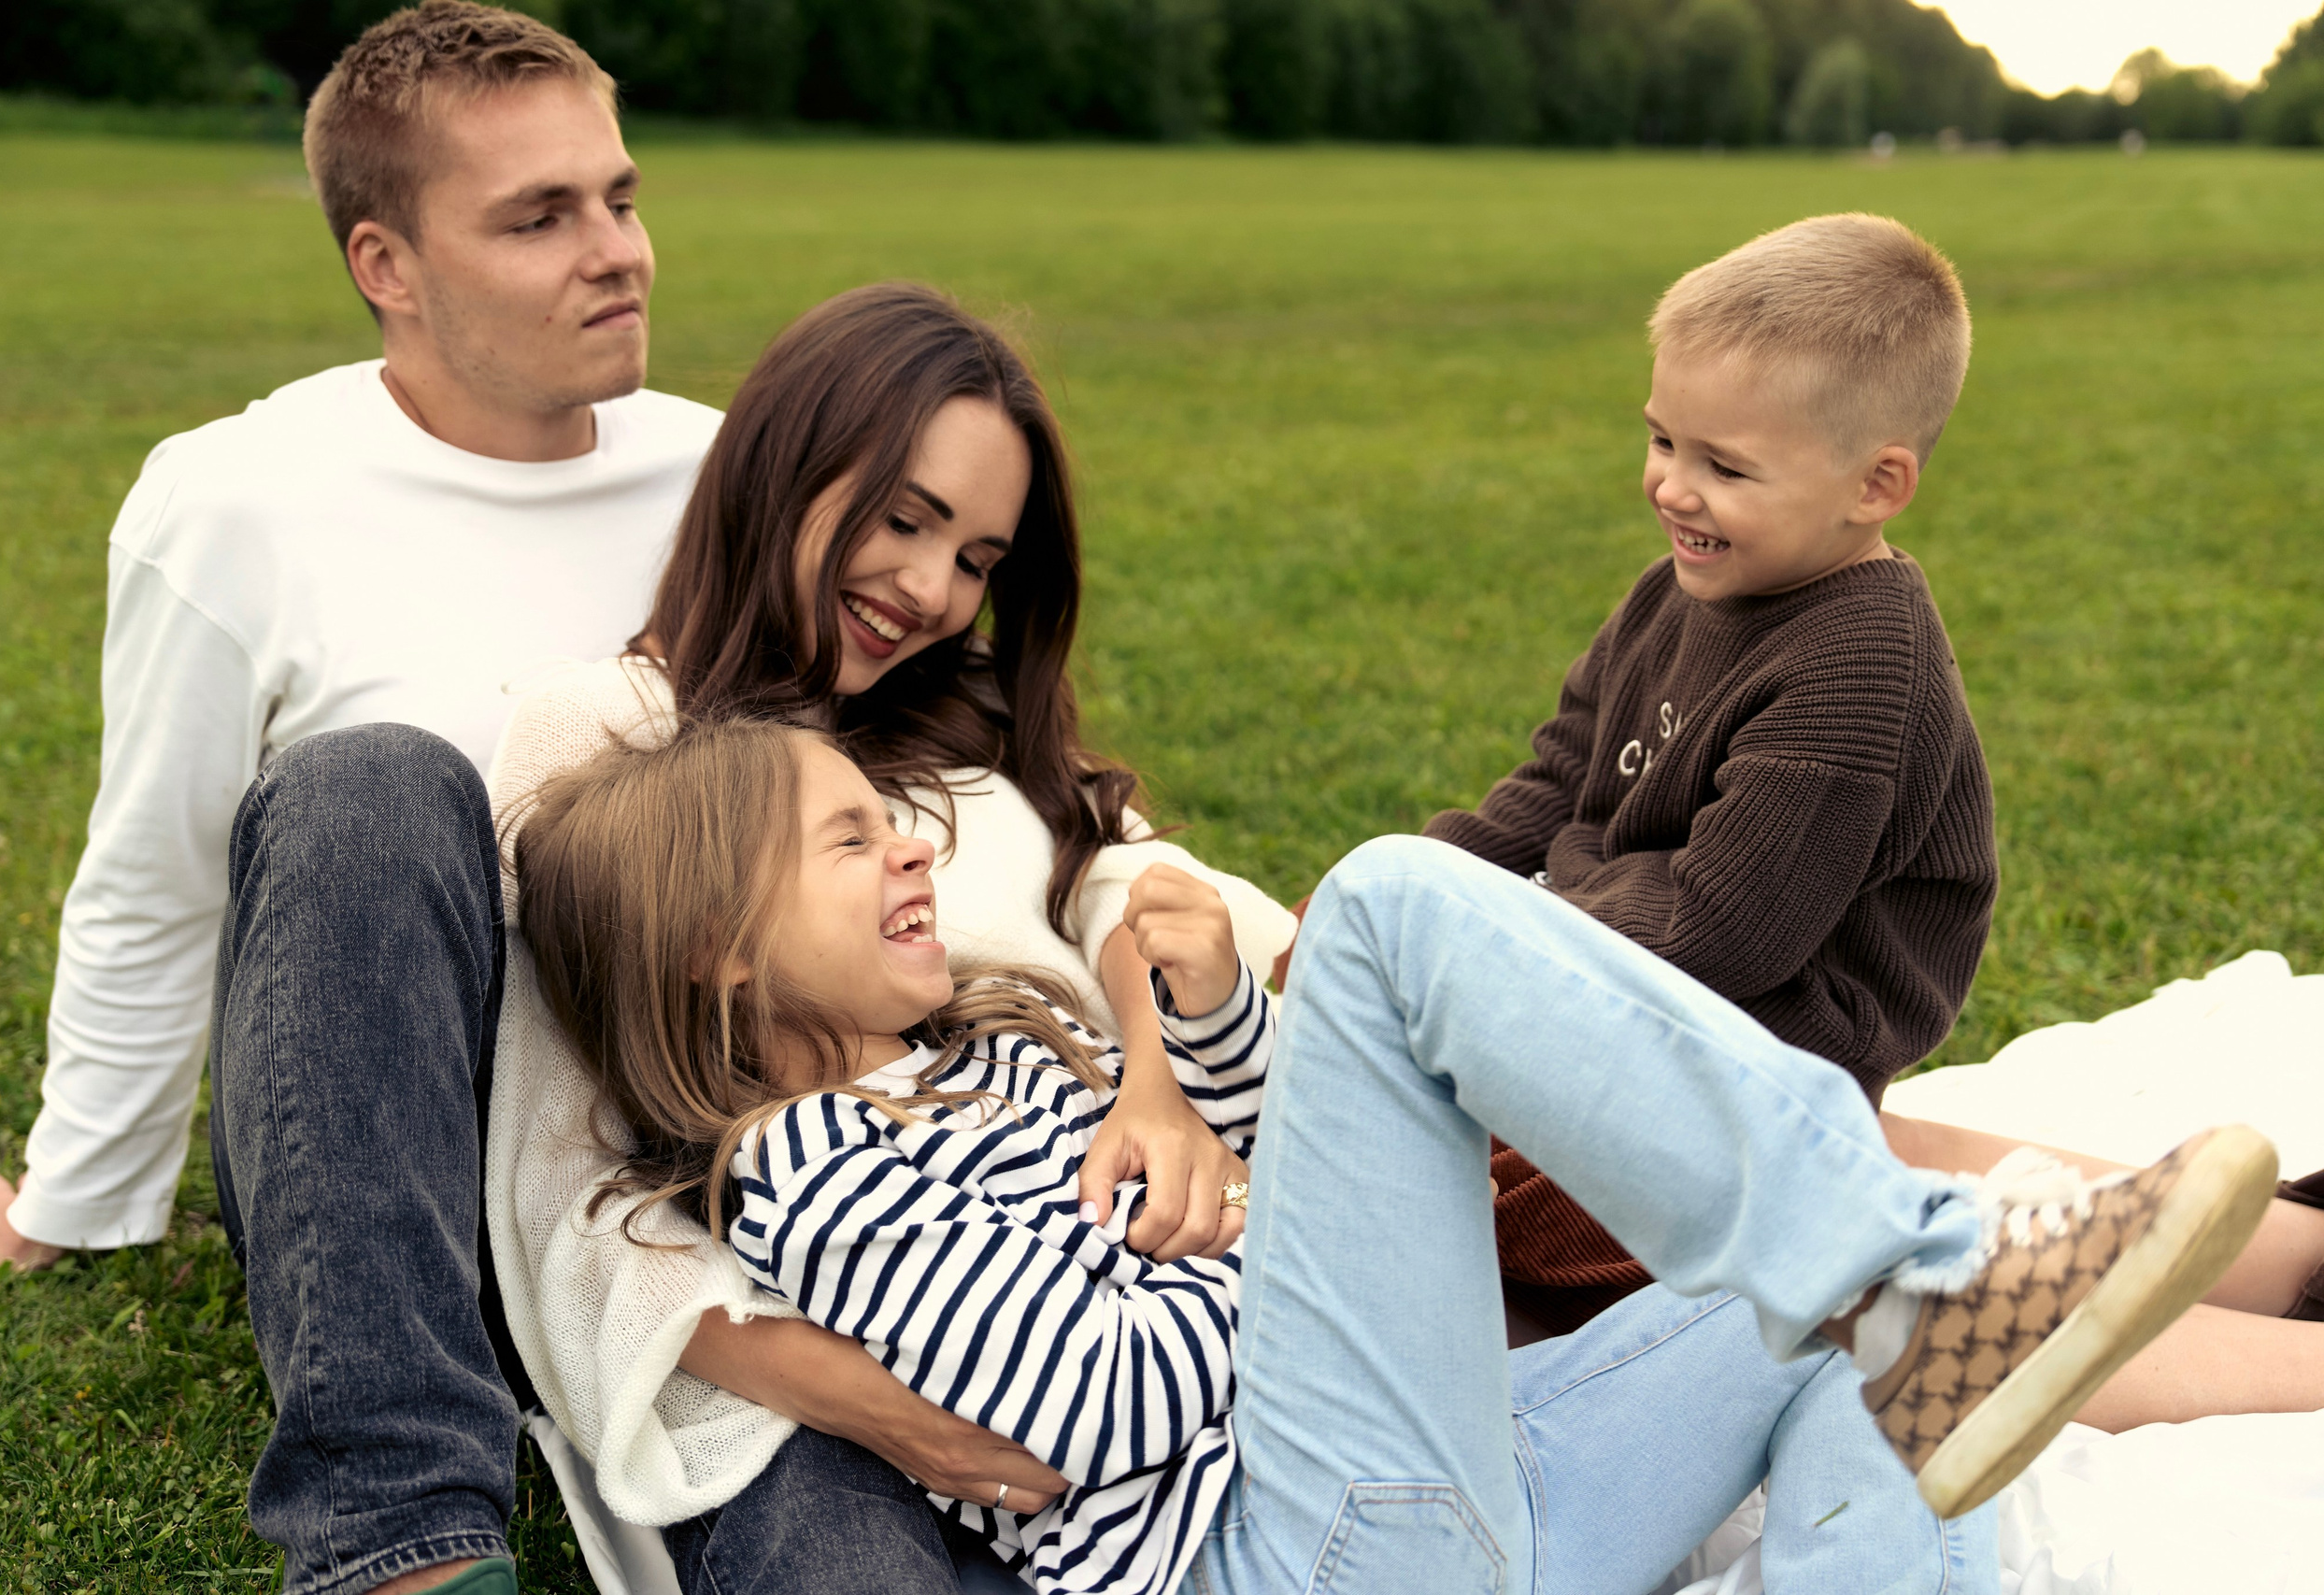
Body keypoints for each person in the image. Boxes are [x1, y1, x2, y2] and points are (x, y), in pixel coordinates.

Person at [0, 9, 1124, 1594]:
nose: (617, 253)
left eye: (620, 198)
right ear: (387, 263)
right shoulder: (237, 501)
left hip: (694, 1137)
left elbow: (923, 781)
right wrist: (80, 1199)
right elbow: (156, 879)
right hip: (388, 1122)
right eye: (539, 217)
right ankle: (403, 1545)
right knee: (371, 789)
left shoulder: (727, 480)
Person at [509, 712, 2277, 1595]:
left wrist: (1205, 1050)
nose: (908, 853)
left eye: (891, 820)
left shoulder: (987, 1052)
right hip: (1292, 1556)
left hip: (1469, 1496)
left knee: (1875, 1338)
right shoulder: (817, 1169)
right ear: (717, 958)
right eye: (845, 844)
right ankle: (1908, 1244)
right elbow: (1079, 1421)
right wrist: (1299, 1243)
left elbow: (1279, 1188)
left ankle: (1905, 1274)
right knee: (1385, 907)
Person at [1421, 212, 2324, 1427]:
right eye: (1659, 439)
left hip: (1779, 1031)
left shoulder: (1857, 657)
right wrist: (1430, 877)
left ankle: (2181, 1301)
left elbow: (1722, 930)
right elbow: (1564, 769)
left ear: (1876, 483)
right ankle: (2283, 1254)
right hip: (1676, 1012)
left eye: (1723, 467)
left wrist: (1502, 936)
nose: (1670, 486)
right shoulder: (1683, 589)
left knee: (1782, 1285)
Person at [480, 281, 1296, 1595]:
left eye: (978, 559)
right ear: (780, 470)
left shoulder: (963, 710)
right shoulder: (616, 740)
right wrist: (871, 1401)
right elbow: (564, 1183)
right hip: (914, 1320)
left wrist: (1159, 1081)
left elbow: (1129, 877)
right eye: (904, 521)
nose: (931, 591)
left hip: (1141, 1189)